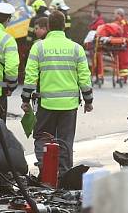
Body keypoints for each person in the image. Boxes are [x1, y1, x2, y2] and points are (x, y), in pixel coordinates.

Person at [21, 10, 93, 176]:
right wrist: (88, 101)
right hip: (69, 105)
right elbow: (84, 78)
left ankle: (46, 172)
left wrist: (25, 99)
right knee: (65, 141)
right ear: (64, 26)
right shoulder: (76, 49)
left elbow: (30, 76)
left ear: (48, 26)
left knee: (42, 137)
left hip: (46, 104)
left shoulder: (38, 47)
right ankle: (63, 175)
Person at [114, 8, 128, 83]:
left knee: (124, 62)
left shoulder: (125, 23)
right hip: (118, 44)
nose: (114, 15)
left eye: (115, 14)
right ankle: (120, 76)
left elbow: (126, 34)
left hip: (124, 45)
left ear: (119, 14)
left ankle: (124, 78)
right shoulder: (117, 22)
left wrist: (124, 42)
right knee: (119, 61)